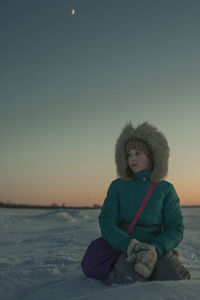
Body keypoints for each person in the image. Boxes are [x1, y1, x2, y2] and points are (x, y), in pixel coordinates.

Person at [98, 121, 191, 285]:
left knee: (177, 280)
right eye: (129, 154)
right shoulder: (117, 186)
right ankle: (111, 270)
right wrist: (129, 245)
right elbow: (107, 222)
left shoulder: (166, 189)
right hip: (124, 248)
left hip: (154, 249)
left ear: (153, 156)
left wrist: (156, 249)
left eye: (138, 153)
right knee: (134, 281)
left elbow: (175, 227)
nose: (132, 158)